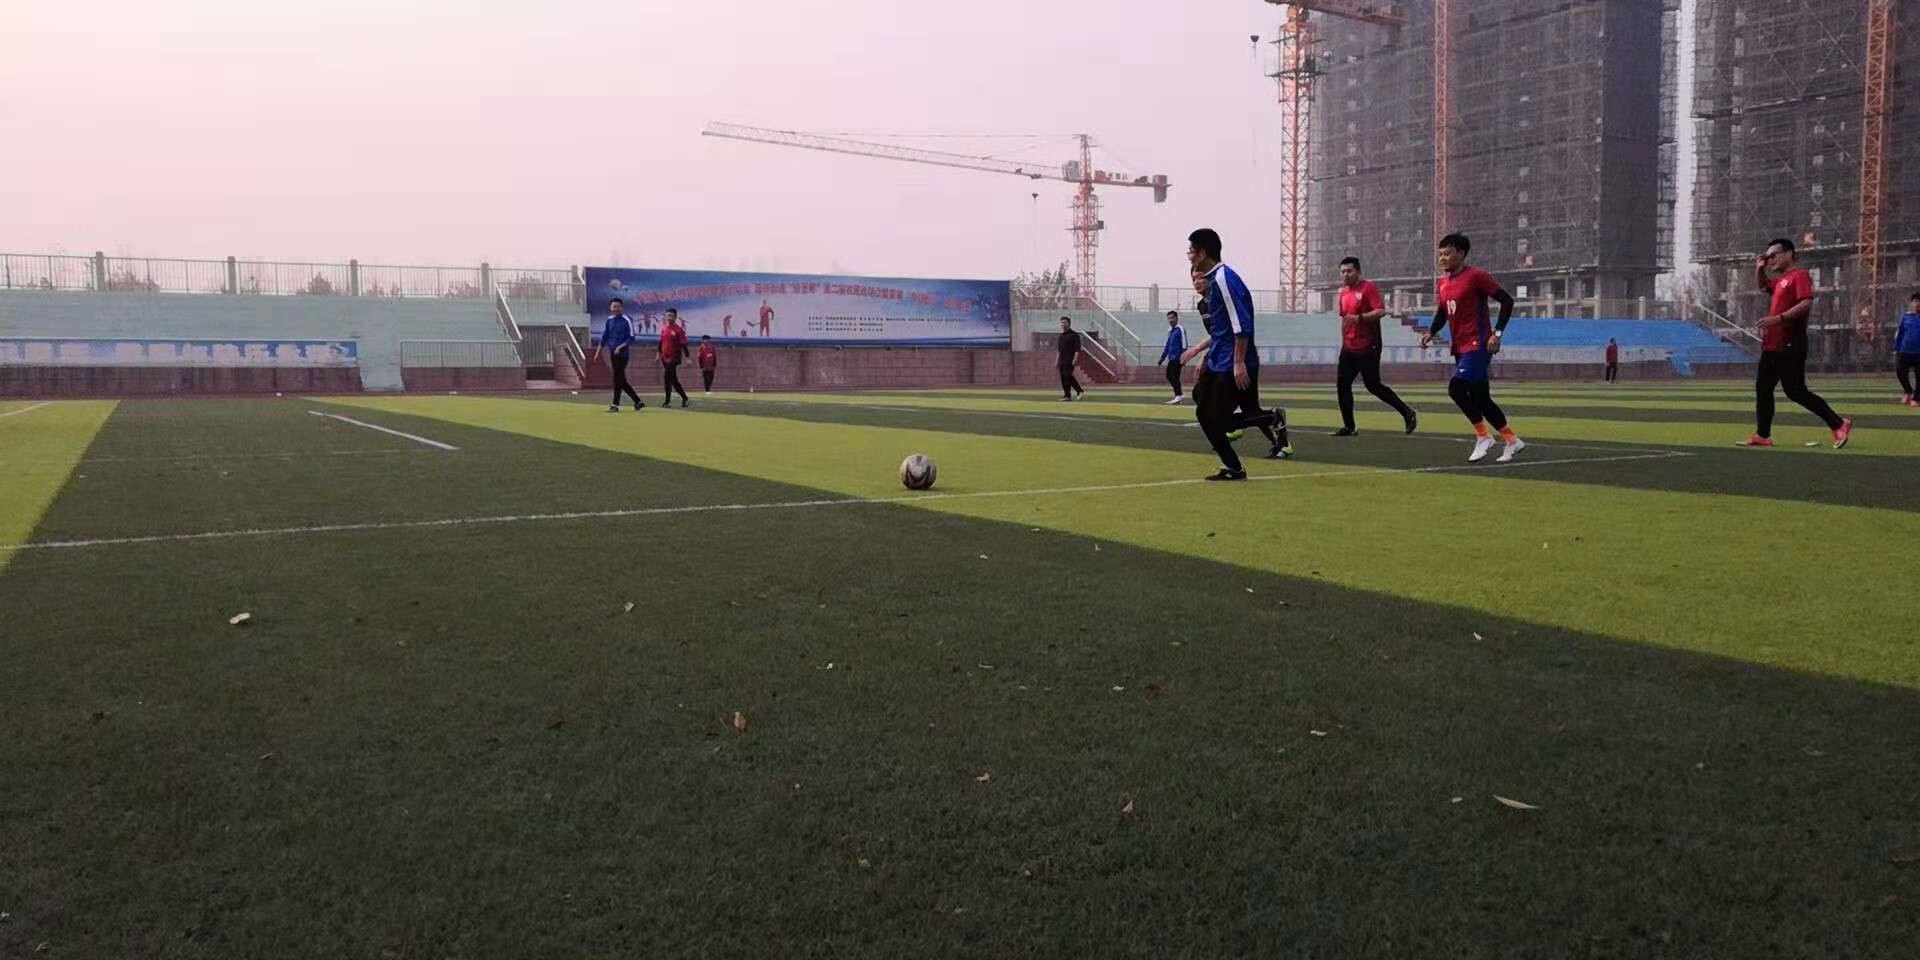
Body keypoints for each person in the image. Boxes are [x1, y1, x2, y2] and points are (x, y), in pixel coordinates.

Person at [1182, 228, 1287, 480]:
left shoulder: (1224, 279)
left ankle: (1268, 423)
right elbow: (1221, 329)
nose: (1189, 256)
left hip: (1232, 362)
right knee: (1205, 411)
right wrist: (1204, 355)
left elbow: (1241, 324)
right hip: (1218, 360)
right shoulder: (1213, 283)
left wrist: (1238, 362)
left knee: (1213, 418)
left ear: (1202, 253)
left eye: (1191, 251)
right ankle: (1236, 464)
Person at [1419, 233, 1524, 463]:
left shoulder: (1476, 276)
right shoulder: (1442, 282)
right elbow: (1442, 312)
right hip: (1459, 346)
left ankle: (1483, 436)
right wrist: (1431, 332)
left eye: (1447, 253)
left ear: (1461, 253)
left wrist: (1497, 334)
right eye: (1440, 254)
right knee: (1481, 398)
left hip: (1478, 343)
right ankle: (1512, 440)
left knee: (1456, 389)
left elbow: (1507, 301)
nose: (1442, 258)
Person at [1739, 238, 1852, 448]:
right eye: (1768, 256)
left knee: (1795, 391)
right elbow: (1763, 286)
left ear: (1789, 253)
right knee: (1763, 388)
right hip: (1771, 345)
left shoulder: (1799, 275)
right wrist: (1759, 268)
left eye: (1773, 255)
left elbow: (1806, 303)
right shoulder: (1780, 280)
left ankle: (1838, 424)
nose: (1770, 260)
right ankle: (1762, 435)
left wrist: (1778, 319)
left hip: (1790, 343)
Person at [1329, 256, 1417, 436]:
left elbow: (1381, 311)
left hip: (1368, 345)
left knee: (1372, 385)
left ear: (1358, 271)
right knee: (1342, 384)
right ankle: (1349, 427)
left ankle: (1407, 412)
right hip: (1348, 347)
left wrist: (1360, 318)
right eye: (1343, 271)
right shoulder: (1343, 292)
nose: (1345, 274)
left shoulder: (1368, 287)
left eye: (1349, 271)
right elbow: (1345, 318)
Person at [589, 297, 645, 412]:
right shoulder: (609, 320)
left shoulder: (626, 320)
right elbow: (604, 337)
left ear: (621, 307)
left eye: (618, 306)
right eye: (614, 306)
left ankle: (615, 405)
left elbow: (632, 338)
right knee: (621, 380)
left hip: (623, 354)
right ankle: (638, 401)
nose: (616, 308)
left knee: (617, 379)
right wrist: (598, 352)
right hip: (613, 354)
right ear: (610, 308)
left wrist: (620, 347)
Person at [659, 307, 691, 408]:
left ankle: (667, 402)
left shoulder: (678, 330)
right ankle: (685, 398)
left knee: (667, 378)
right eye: (668, 316)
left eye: (672, 316)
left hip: (674, 358)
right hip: (664, 357)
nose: (670, 318)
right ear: (665, 316)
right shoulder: (664, 328)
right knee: (673, 380)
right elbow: (661, 341)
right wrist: (658, 353)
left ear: (675, 317)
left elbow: (684, 344)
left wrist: (687, 357)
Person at [1157, 310, 1189, 405]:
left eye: (1172, 318)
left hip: (1178, 358)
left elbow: (1184, 344)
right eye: (1169, 318)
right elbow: (1167, 345)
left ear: (1176, 318)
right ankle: (1179, 395)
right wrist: (1162, 358)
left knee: (1173, 376)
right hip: (1171, 358)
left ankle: (1179, 395)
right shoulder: (1170, 331)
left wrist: (1184, 357)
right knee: (1170, 376)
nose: (1170, 320)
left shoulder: (1180, 329)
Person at [1894, 293, 1920, 407]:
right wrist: (1896, 348)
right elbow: (1900, 333)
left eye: (1919, 301)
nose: (1917, 303)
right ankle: (1908, 390)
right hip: (1905, 351)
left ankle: (1916, 399)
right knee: (1900, 372)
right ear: (1912, 303)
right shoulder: (1906, 317)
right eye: (1915, 301)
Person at [1056, 317, 1086, 401]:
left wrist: (1075, 358)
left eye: (1064, 322)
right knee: (1063, 377)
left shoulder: (1074, 335)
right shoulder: (1061, 336)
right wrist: (1057, 360)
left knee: (1068, 375)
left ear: (1069, 323)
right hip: (1062, 360)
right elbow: (1059, 350)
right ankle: (1067, 395)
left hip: (1070, 359)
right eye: (1061, 322)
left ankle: (1079, 391)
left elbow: (1077, 349)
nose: (1062, 324)